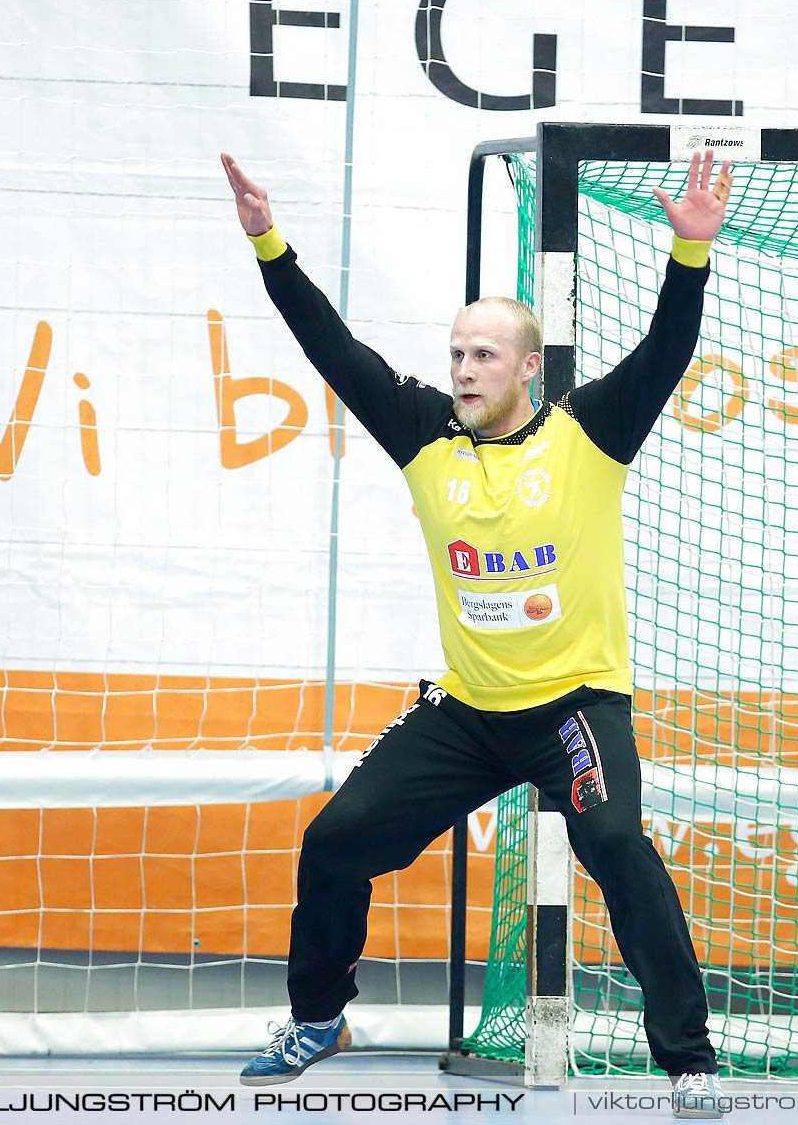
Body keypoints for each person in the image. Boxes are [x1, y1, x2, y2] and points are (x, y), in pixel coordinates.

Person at [222, 149, 732, 1118]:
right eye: (456, 352)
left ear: (529, 367)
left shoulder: (588, 435)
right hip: (468, 714)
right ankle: (320, 1016)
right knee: (333, 844)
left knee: (618, 840)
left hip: (575, 710)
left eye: (484, 354)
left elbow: (666, 352)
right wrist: (268, 243)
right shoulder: (423, 437)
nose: (463, 368)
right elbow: (335, 350)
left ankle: (690, 1060)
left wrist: (690, 253)